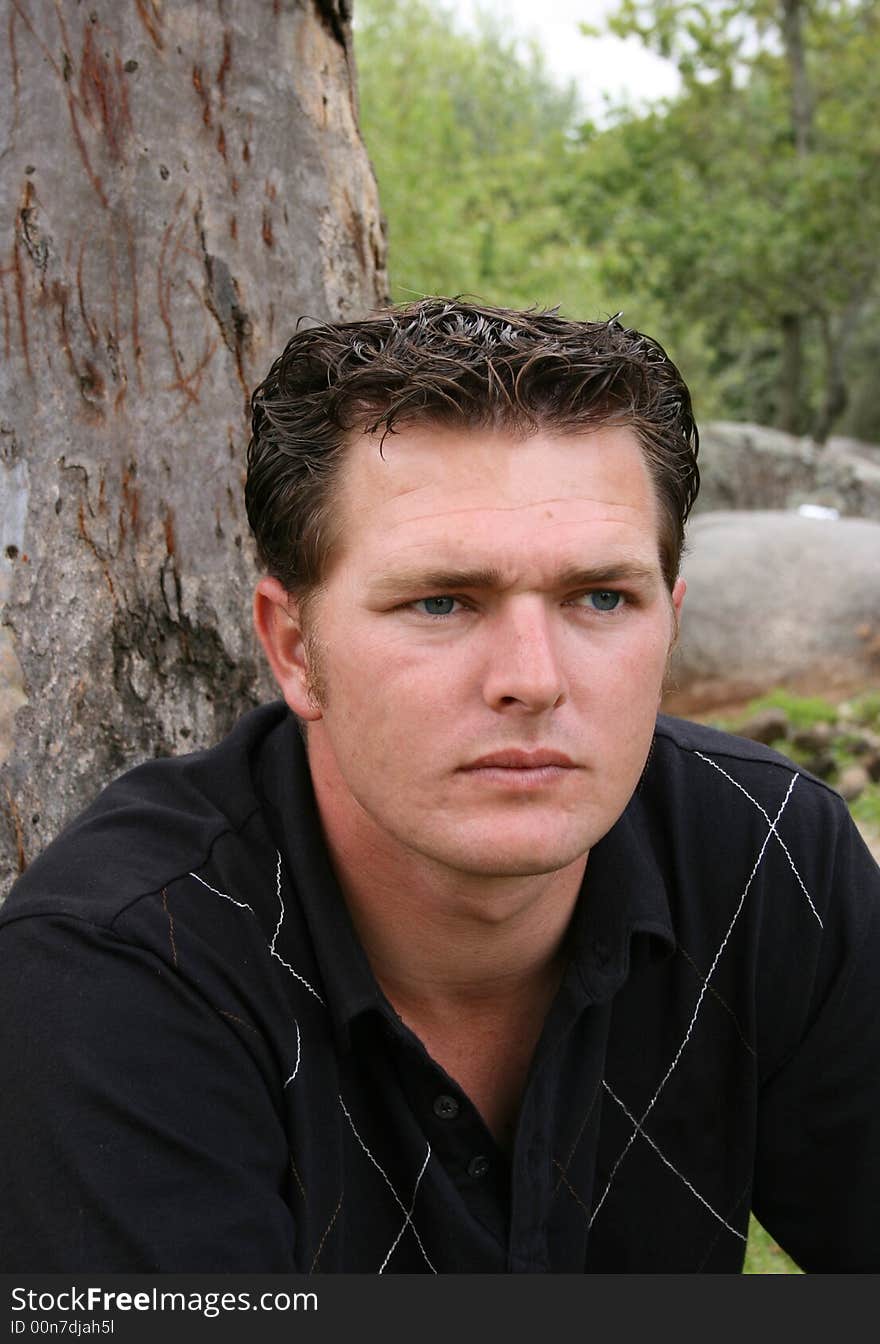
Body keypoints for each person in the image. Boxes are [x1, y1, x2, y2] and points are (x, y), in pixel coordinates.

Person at [0, 298, 878, 1274]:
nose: (532, 678)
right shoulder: (118, 966)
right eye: (441, 601)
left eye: (599, 598)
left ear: (668, 622)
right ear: (293, 648)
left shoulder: (768, 859)